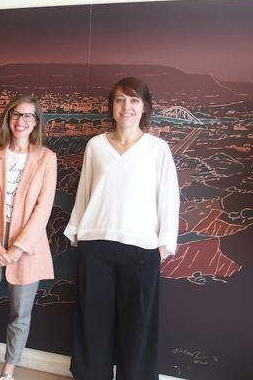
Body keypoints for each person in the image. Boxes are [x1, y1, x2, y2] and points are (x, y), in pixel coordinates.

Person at [63, 77, 180, 380]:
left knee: (137, 330)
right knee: (93, 326)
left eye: (133, 100)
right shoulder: (96, 146)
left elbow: (168, 198)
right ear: (112, 107)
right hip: (96, 246)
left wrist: (165, 242)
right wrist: (77, 232)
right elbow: (86, 192)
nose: (126, 106)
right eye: (119, 100)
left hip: (142, 250)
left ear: (145, 108)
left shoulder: (158, 149)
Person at [0, 95, 57, 380]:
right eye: (16, 115)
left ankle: (8, 371)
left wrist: (18, 247)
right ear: (8, 118)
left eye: (28, 116)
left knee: (20, 315)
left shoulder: (46, 158)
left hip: (27, 247)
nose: (21, 121)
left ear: (36, 122)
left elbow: (44, 208)